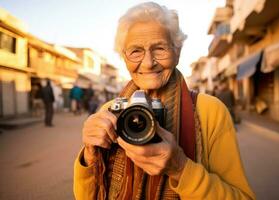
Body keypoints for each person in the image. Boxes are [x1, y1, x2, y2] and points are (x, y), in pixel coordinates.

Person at [74, 2, 255, 200]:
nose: (148, 62)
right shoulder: (110, 111)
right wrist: (89, 156)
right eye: (135, 51)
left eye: (159, 48)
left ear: (177, 53)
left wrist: (180, 167)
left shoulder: (209, 111)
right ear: (124, 58)